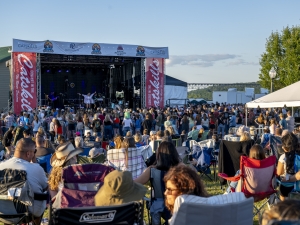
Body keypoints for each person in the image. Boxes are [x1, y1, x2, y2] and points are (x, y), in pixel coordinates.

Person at [134, 141, 185, 224]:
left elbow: (136, 183)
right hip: (177, 203)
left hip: (157, 204)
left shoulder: (152, 170)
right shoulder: (180, 168)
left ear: (159, 155)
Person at [0, 138, 48, 223]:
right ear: (28, 153)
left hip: (2, 212)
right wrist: (35, 163)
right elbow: (46, 186)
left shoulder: (1, 166)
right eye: (34, 151)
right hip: (26, 213)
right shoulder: (36, 168)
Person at [276, 132, 299, 200]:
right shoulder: (299, 157)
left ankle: (283, 206)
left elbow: (279, 173)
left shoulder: (283, 157)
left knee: (282, 192)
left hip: (286, 186)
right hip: (298, 186)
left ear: (284, 147)